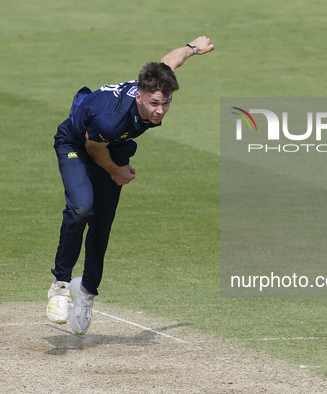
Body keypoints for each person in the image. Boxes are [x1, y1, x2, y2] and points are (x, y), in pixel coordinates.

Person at [46, 36, 215, 335]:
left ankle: (86, 292)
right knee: (82, 208)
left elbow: (170, 61)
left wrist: (192, 48)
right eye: (154, 104)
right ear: (139, 97)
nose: (161, 110)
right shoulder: (112, 119)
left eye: (166, 103)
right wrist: (116, 172)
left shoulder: (155, 82)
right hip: (79, 143)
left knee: (103, 223)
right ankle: (60, 285)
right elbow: (94, 148)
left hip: (112, 146)